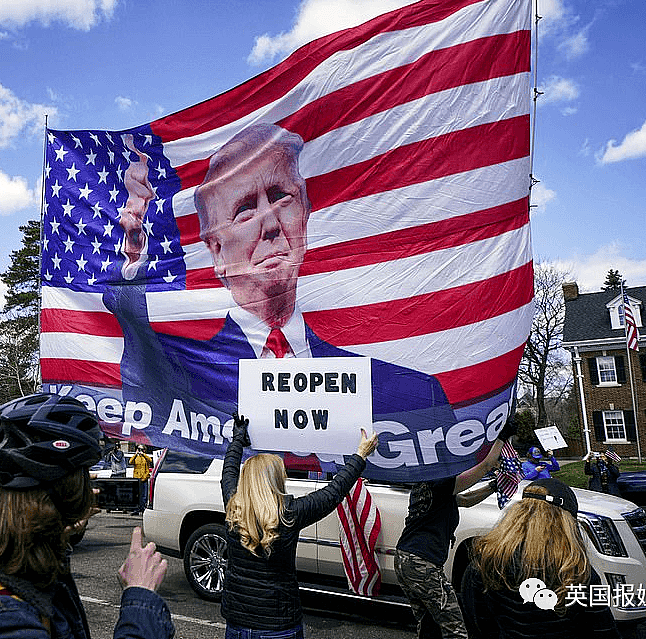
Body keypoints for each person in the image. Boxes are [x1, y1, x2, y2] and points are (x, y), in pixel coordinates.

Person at [105, 123, 454, 431]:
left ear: (304, 214)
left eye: (280, 197)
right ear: (216, 251)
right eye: (244, 210)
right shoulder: (178, 377)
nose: (270, 224)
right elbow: (133, 337)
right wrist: (134, 251)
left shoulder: (413, 396)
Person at [0, 392, 175, 639]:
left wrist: (52, 536)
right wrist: (141, 598)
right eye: (84, 472)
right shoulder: (2, 622)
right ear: (69, 489)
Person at [220, 414, 378, 638]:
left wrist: (237, 439)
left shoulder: (233, 507)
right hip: (279, 626)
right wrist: (361, 454)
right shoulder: (289, 514)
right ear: (275, 480)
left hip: (237, 625)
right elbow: (333, 492)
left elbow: (228, 472)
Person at [394, 419, 513, 639]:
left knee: (429, 624)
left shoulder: (427, 484)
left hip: (406, 559)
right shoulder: (438, 481)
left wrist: (494, 486)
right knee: (455, 628)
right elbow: (485, 466)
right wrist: (501, 438)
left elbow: (465, 500)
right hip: (423, 562)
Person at [460, 478, 621, 638]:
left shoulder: (485, 562)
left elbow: (482, 625)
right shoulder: (576, 570)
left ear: (517, 515)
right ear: (565, 522)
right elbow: (604, 631)